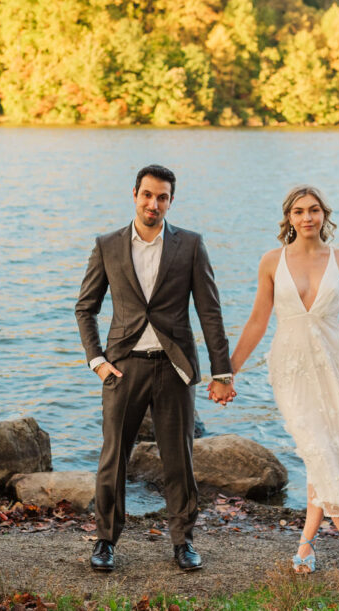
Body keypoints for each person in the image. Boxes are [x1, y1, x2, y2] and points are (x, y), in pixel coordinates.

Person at [220, 185, 339, 582]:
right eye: (299, 211)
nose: (307, 217)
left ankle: (306, 543)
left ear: (325, 215)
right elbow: (257, 320)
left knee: (326, 455)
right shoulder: (272, 262)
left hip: (335, 365)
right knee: (317, 449)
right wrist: (229, 370)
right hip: (292, 369)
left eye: (314, 210)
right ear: (288, 217)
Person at [75, 164, 236, 573]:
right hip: (123, 368)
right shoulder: (108, 245)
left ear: (171, 201)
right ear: (134, 194)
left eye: (162, 197)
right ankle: (106, 542)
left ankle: (183, 542)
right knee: (113, 458)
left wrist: (222, 372)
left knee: (178, 460)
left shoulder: (191, 245)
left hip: (174, 369)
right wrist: (98, 361)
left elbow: (210, 313)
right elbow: (86, 308)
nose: (154, 203)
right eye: (147, 195)